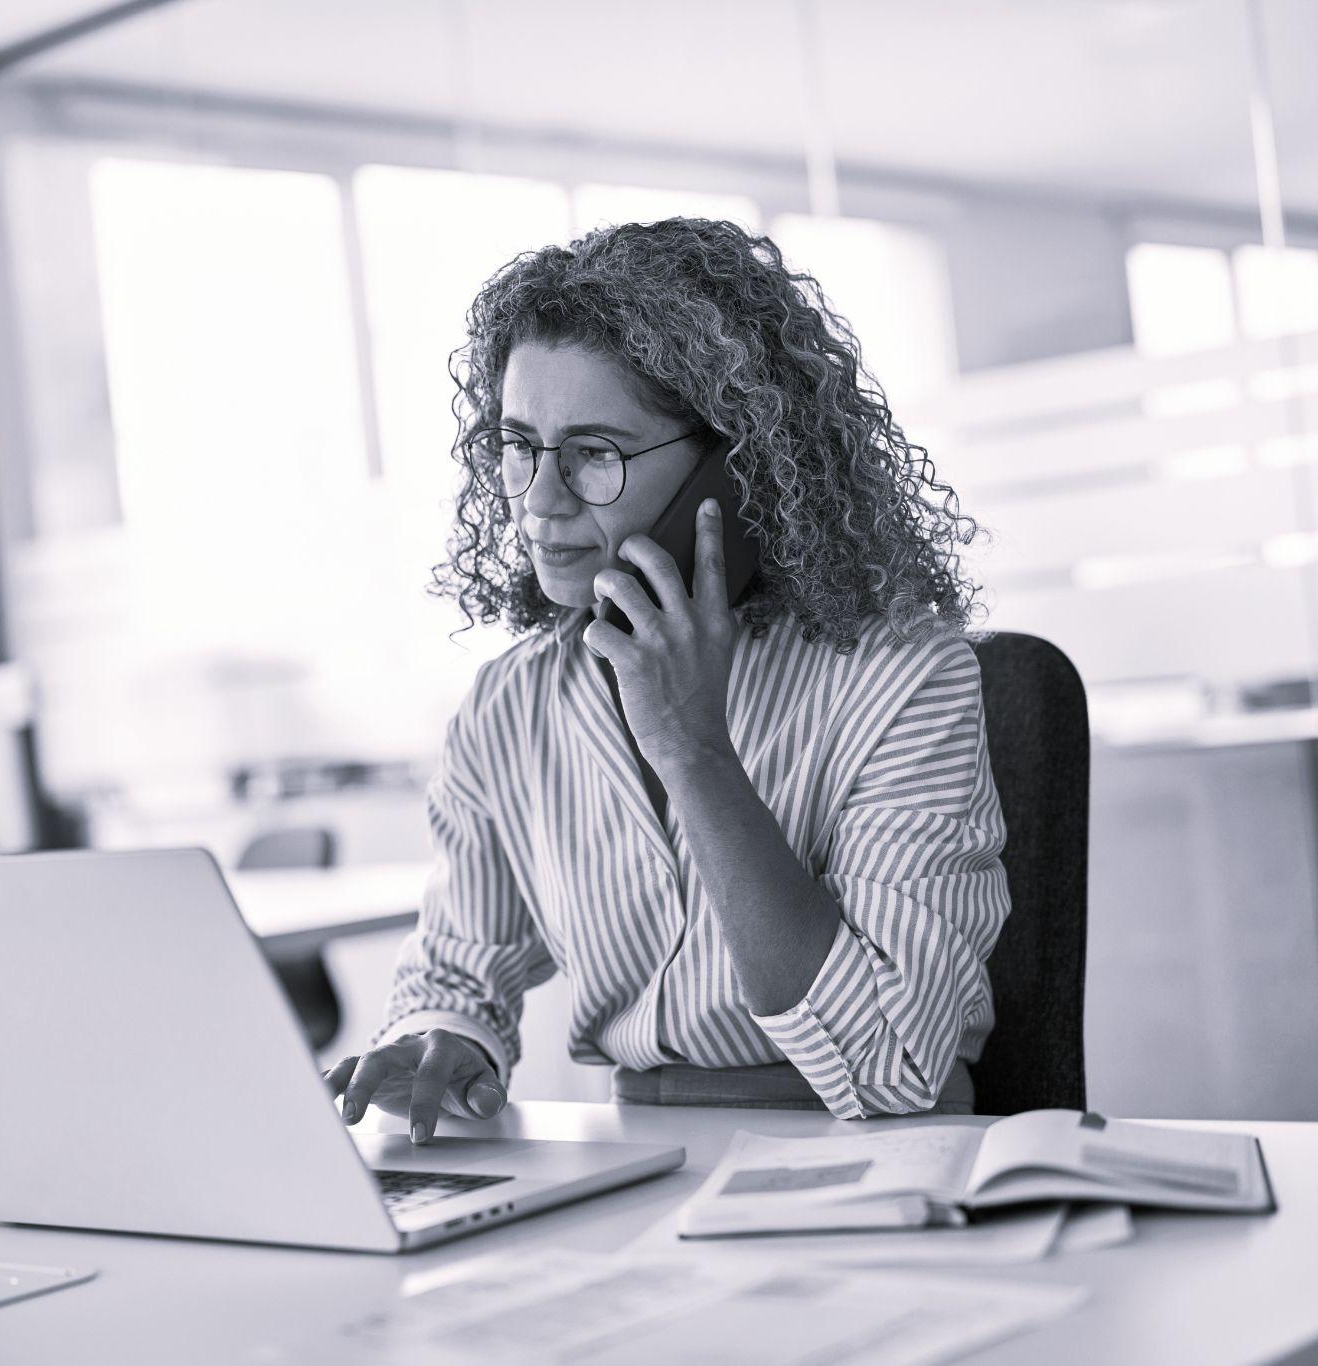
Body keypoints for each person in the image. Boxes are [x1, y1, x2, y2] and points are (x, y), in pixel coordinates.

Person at [323, 217, 1008, 1141]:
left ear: (737, 464)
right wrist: (444, 1040)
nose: (539, 500)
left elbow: (893, 1068)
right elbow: (457, 969)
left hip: (876, 1156)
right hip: (639, 1158)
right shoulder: (511, 705)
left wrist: (694, 751)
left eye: (594, 453)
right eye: (520, 445)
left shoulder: (898, 676)